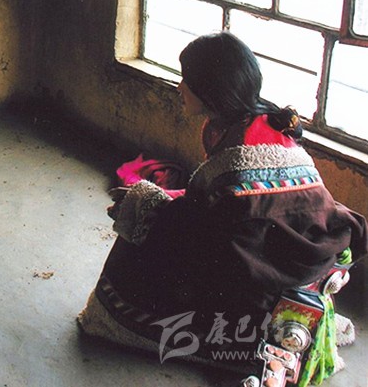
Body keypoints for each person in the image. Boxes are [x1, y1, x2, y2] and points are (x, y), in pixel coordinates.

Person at [78, 31, 368, 383]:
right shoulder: (254, 121)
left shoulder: (237, 146)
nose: (180, 88)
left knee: (138, 234)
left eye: (187, 81)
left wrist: (145, 203)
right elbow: (224, 207)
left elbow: (215, 225)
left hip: (278, 261)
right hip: (299, 241)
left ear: (211, 90)